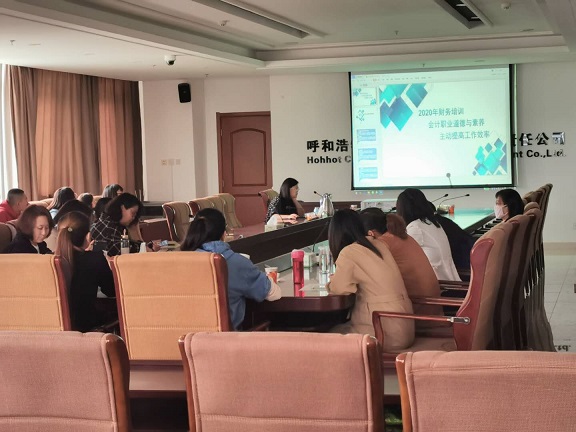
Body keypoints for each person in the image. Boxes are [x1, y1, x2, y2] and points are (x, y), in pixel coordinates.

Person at [327, 209, 414, 351]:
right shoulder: (378, 244)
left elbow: (339, 290)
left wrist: (332, 281)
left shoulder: (349, 252)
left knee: (324, 336)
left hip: (383, 331)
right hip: (404, 327)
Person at [180, 208, 281, 329]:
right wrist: (268, 278)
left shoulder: (179, 262)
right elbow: (274, 294)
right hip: (225, 339)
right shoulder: (237, 263)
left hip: (185, 338)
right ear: (224, 234)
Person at [360, 208, 442, 318]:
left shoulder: (383, 243)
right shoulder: (401, 236)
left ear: (370, 233)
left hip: (416, 312)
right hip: (431, 308)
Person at [56, 211, 116, 332]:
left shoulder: (51, 261)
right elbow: (111, 290)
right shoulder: (94, 258)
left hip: (57, 326)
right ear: (88, 236)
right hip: (86, 325)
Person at [396, 188, 460, 281]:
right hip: (447, 280)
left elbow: (399, 255)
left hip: (440, 284)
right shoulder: (431, 222)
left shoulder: (416, 228)